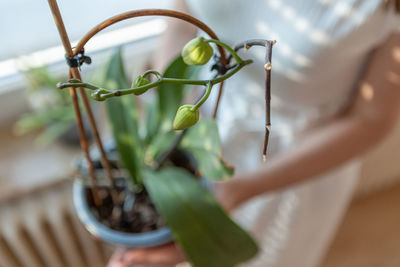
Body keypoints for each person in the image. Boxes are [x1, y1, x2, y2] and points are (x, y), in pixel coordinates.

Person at [109, 0, 400, 266]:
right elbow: (182, 22)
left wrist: (237, 190)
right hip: (198, 115)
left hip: (288, 164)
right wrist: (172, 116)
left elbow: (371, 120)